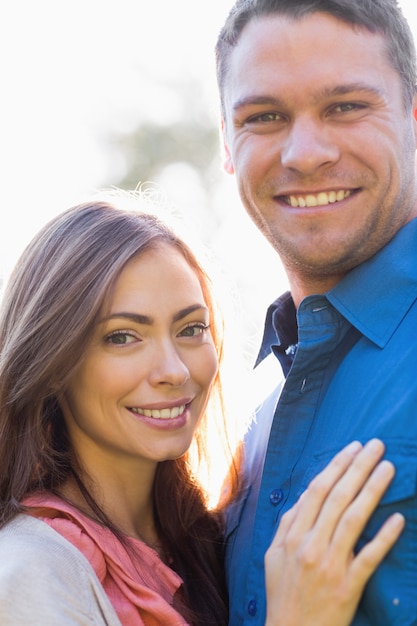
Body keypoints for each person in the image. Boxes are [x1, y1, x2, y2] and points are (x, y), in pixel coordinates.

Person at [0, 197, 404, 625]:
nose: (174, 371)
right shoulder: (30, 572)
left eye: (191, 329)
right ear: (54, 363)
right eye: (122, 337)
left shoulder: (211, 543)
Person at [215, 0, 417, 624]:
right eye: (265, 117)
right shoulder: (250, 424)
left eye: (346, 107)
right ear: (227, 144)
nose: (305, 153)